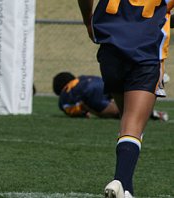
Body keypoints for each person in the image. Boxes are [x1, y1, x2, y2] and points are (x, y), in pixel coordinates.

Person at [78, 0, 174, 197]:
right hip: (145, 49)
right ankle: (120, 180)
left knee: (127, 122)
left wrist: (88, 20)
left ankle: (126, 189)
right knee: (133, 124)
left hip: (110, 48)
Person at [53, 72, 169, 121]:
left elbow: (78, 109)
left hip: (90, 94)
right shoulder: (80, 79)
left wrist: (85, 113)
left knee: (122, 113)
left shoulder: (63, 98)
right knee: (127, 95)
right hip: (98, 81)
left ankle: (151, 113)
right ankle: (151, 81)